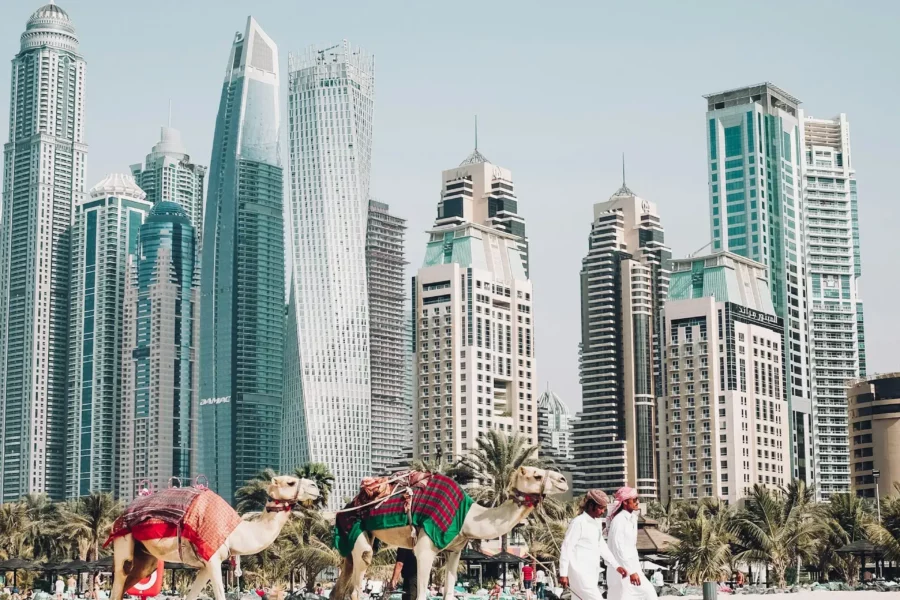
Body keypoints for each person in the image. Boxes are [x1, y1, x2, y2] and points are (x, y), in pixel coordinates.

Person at [558, 490, 628, 600]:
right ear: (591, 505)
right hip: (579, 573)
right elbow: (567, 547)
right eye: (601, 508)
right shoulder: (578, 522)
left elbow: (602, 547)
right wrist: (563, 573)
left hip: (592, 573)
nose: (603, 511)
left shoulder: (596, 524)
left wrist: (616, 565)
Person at [606, 487, 657, 600]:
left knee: (649, 594)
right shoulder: (619, 521)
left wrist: (635, 569)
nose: (637, 502)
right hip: (622, 572)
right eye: (634, 499)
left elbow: (631, 548)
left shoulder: (631, 519)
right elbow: (618, 548)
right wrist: (631, 571)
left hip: (634, 568)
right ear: (624, 502)